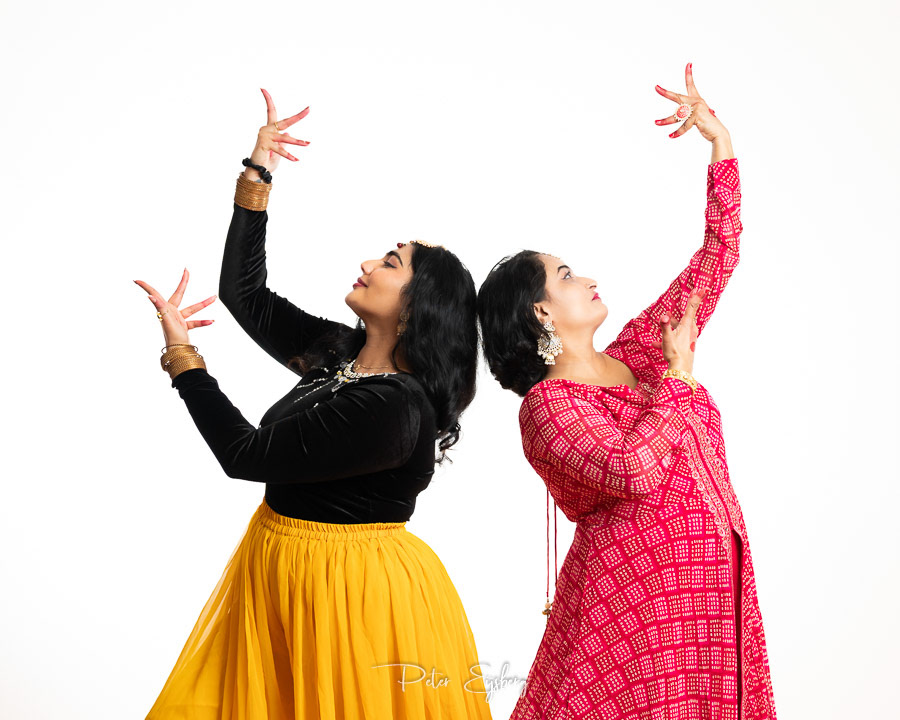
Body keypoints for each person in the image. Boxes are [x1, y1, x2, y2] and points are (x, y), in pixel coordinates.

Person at [135, 89, 492, 719]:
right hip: (281, 571)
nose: (368, 263)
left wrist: (184, 360)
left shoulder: (394, 407)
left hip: (347, 595)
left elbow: (245, 455)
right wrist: (258, 174)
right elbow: (245, 295)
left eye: (390, 263)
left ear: (418, 307)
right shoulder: (339, 352)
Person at [476, 64, 777, 718]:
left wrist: (721, 145)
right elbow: (631, 470)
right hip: (635, 610)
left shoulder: (639, 354)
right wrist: (679, 381)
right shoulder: (549, 407)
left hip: (711, 595)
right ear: (540, 312)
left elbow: (716, 258)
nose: (587, 278)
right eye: (565, 275)